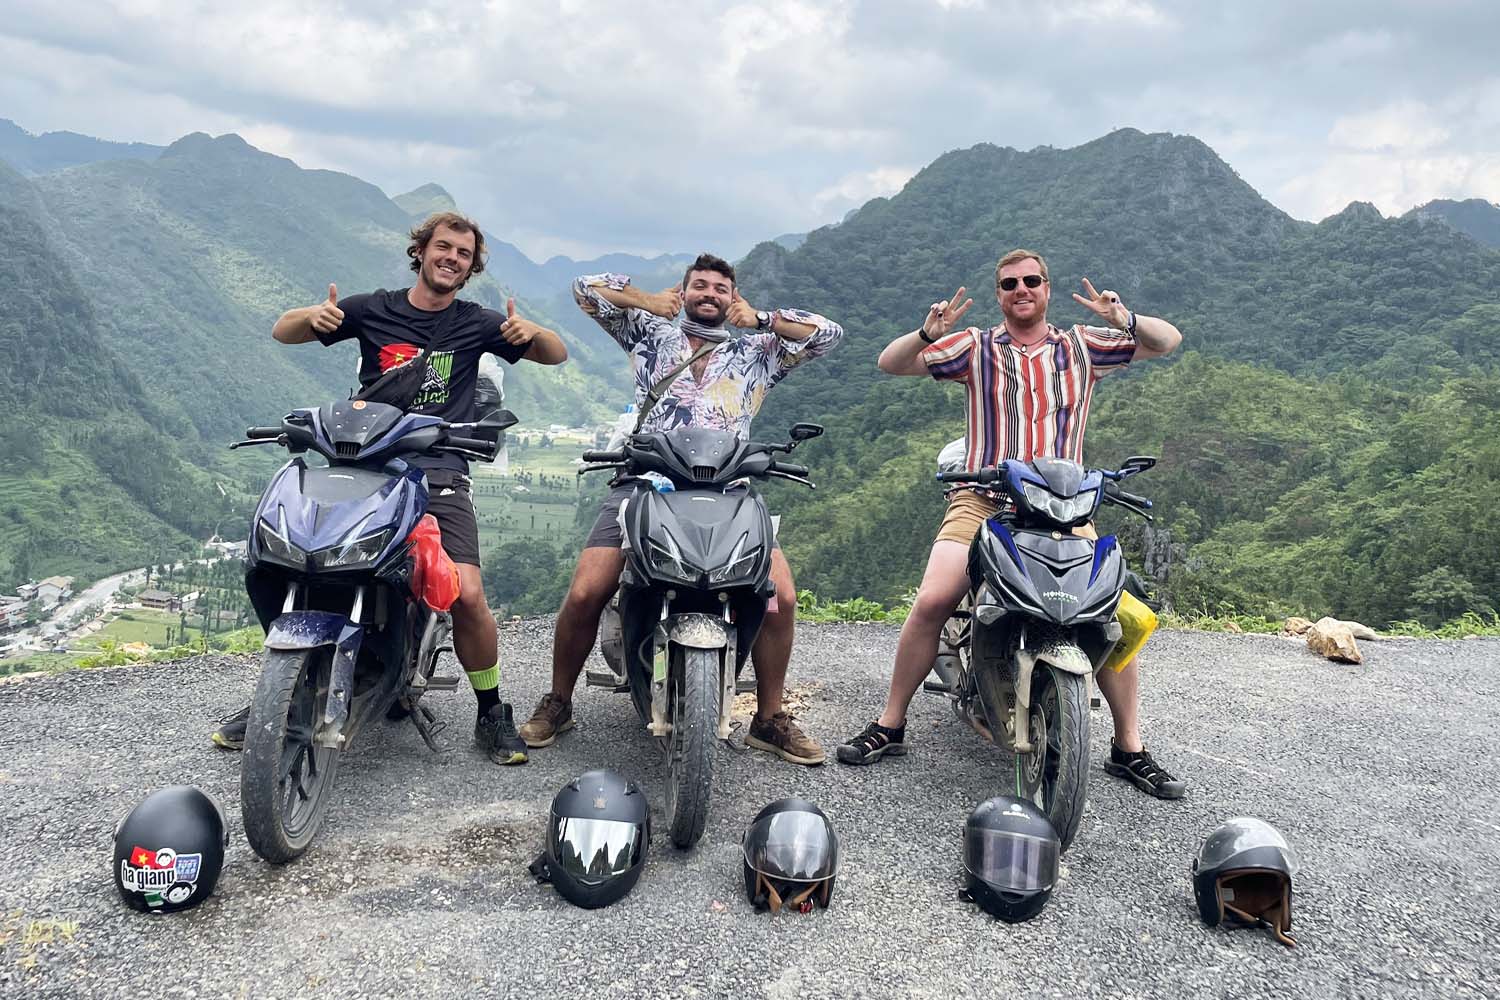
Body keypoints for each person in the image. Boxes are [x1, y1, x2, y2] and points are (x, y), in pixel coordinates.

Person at [212, 211, 568, 766]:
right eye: (443, 248)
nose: (452, 258)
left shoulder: (477, 323)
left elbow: (555, 354)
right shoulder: (372, 309)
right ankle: (282, 693)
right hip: (364, 461)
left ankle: (490, 710)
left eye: (464, 254)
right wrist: (312, 314)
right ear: (421, 252)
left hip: (440, 468)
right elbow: (284, 331)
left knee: (467, 593)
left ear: (471, 267)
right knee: (297, 560)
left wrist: (534, 334)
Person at [836, 248, 1187, 799]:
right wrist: (927, 334)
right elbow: (891, 363)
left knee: (1107, 616)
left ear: (1047, 288)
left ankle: (1129, 747)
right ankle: (891, 722)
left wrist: (1126, 320)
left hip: (1065, 505)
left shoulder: (1081, 346)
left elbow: (1168, 343)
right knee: (934, 600)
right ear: (999, 295)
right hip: (983, 499)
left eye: (1030, 281)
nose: (1020, 290)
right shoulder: (975, 347)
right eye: (1009, 284)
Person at [518, 254, 843, 765]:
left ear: (732, 297)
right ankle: (559, 700)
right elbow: (585, 289)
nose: (709, 293)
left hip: (730, 487)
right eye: (699, 286)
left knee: (780, 594)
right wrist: (648, 300)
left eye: (720, 287)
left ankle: (768, 717)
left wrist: (759, 319)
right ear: (684, 290)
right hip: (645, 481)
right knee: (586, 591)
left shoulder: (759, 352)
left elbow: (827, 335)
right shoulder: (649, 334)